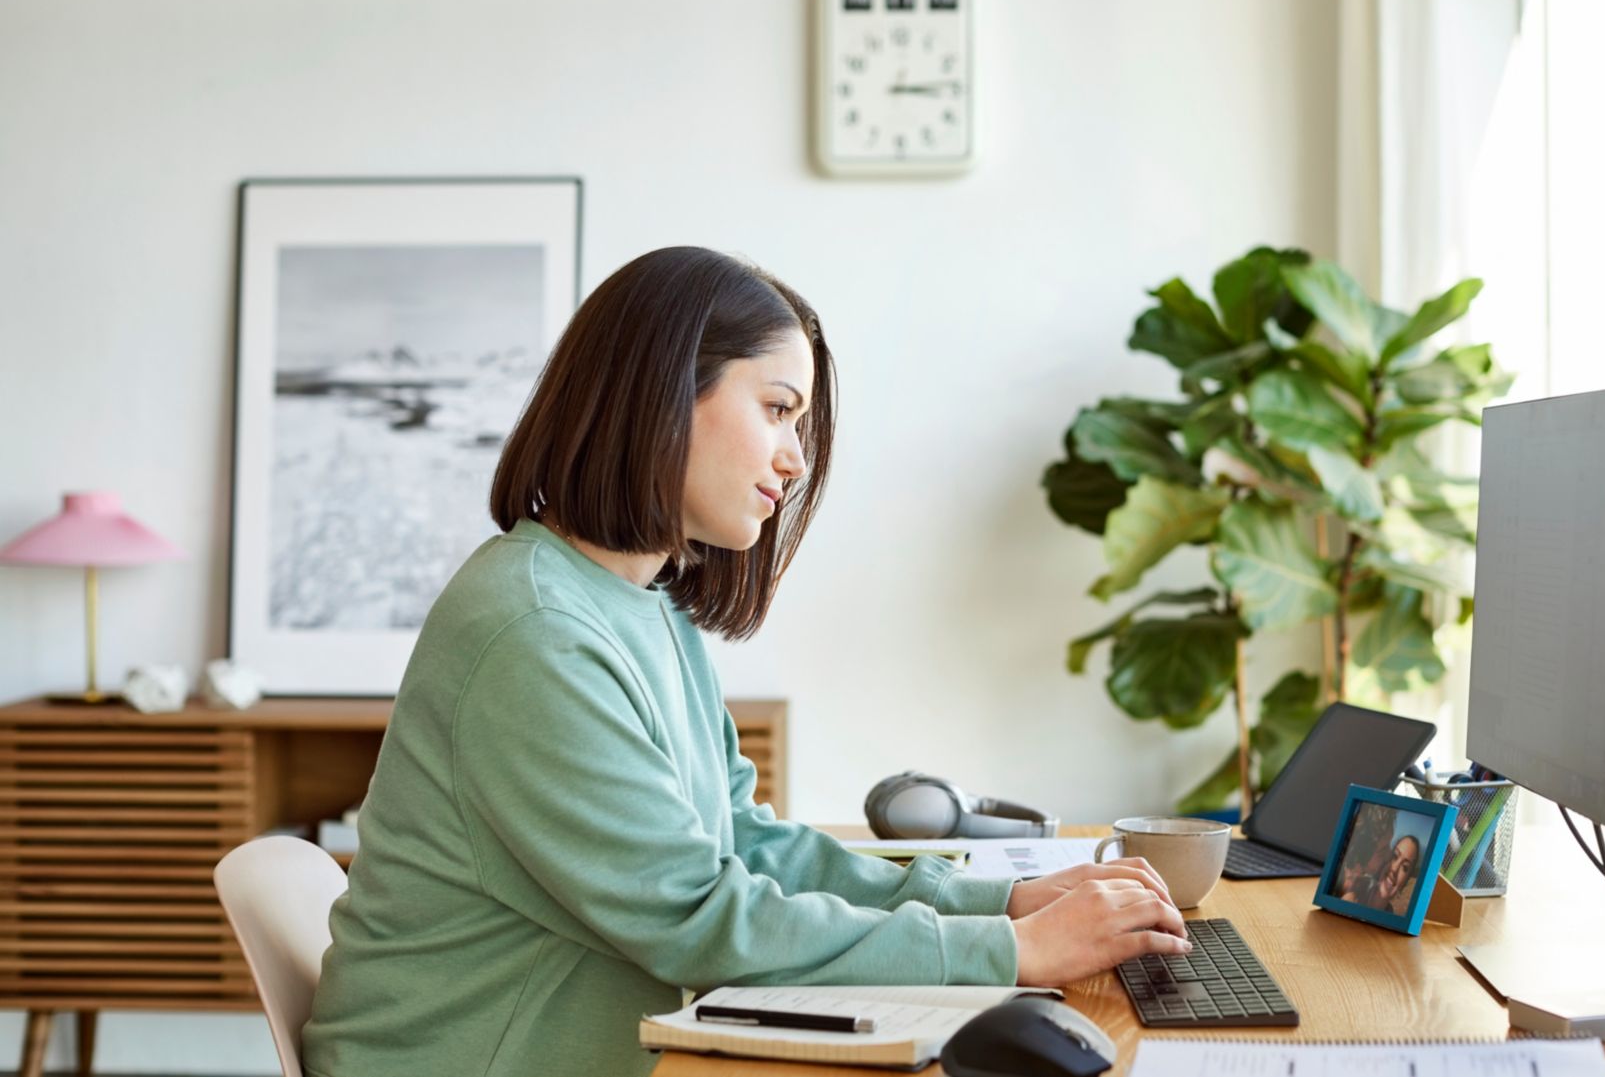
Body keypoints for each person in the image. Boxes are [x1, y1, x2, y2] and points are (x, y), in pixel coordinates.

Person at [300, 247, 1191, 1077]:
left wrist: (995, 906)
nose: (796, 458)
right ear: (662, 394)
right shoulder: (536, 633)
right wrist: (1013, 954)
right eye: (776, 409)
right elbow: (696, 917)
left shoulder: (641, 607)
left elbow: (744, 843)